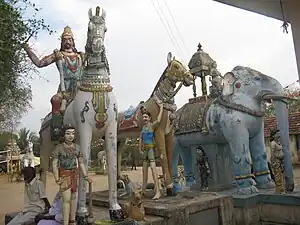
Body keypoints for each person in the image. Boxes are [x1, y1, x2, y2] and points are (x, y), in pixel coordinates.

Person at [23, 26, 84, 140]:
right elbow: (40, 63)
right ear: (62, 42)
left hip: (80, 88)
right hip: (64, 89)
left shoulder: (81, 56)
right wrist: (28, 50)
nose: (67, 42)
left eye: (70, 40)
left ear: (73, 41)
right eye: (65, 40)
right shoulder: (58, 55)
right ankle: (56, 129)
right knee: (55, 100)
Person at [52, 124, 92, 225]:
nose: (71, 136)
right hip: (64, 175)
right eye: (68, 133)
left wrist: (86, 176)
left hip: (74, 175)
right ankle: (65, 222)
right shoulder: (59, 148)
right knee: (66, 200)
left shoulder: (77, 148)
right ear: (64, 135)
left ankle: (72, 220)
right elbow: (54, 164)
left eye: (73, 133)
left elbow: (81, 162)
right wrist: (57, 178)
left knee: (74, 198)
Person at [139, 104, 164, 200]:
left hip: (150, 150)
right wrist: (140, 149)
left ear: (149, 118)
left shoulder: (151, 126)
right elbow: (141, 138)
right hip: (145, 151)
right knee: (144, 170)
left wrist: (161, 108)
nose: (144, 118)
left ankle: (158, 191)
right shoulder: (143, 128)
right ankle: (143, 190)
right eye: (143, 117)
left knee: (153, 169)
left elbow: (158, 120)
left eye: (146, 117)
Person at [270, 129, 285, 193]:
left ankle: (282, 189)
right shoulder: (273, 143)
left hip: (280, 161)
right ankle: (279, 190)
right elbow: (272, 153)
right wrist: (273, 162)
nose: (278, 135)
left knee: (281, 175)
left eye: (278, 134)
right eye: (277, 134)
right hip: (276, 161)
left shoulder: (278, 142)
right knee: (277, 175)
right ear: (273, 135)